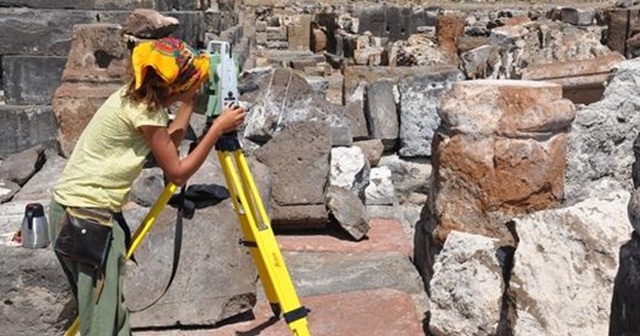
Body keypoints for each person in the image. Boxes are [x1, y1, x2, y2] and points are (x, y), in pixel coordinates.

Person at [48, 37, 245, 336]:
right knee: (103, 324)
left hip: (86, 212)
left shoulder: (136, 98)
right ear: (172, 86)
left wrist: (189, 103)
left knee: (112, 315)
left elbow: (168, 147)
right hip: (86, 217)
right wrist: (217, 129)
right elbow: (177, 174)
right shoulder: (146, 113)